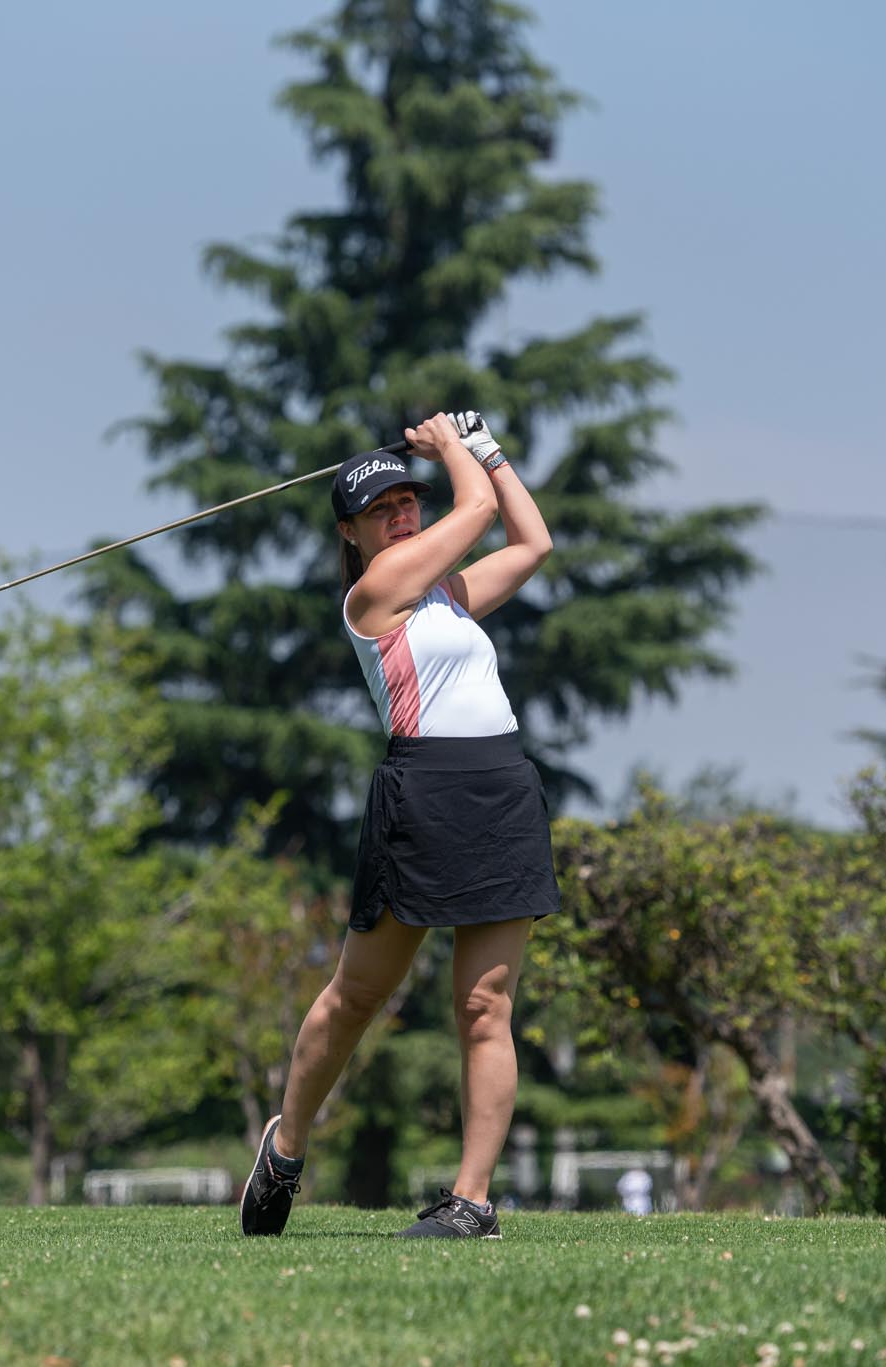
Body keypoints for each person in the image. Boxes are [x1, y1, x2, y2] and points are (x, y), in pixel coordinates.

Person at [239, 410, 557, 1240]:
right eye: (380, 509)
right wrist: (452, 448)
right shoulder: (371, 596)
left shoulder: (447, 597)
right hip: (423, 793)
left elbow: (532, 543)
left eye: (408, 500)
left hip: (500, 790)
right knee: (357, 996)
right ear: (351, 533)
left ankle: (472, 1201)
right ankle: (286, 1148)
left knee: (484, 1005)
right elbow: (477, 511)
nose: (401, 513)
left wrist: (486, 449)